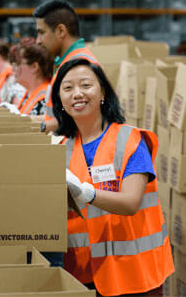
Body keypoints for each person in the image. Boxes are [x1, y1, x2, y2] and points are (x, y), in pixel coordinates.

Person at [54, 58, 173, 297]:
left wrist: (88, 193)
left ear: (102, 93)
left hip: (134, 277)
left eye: (86, 85)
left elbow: (131, 202)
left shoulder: (130, 141)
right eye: (67, 88)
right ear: (60, 101)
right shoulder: (60, 150)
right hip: (82, 279)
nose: (77, 94)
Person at [34, 0, 99, 135]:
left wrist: (40, 128)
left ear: (61, 31)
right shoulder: (68, 62)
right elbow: (59, 117)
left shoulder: (80, 66)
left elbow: (80, 118)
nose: (38, 40)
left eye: (41, 32)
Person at [9, 40, 53, 117]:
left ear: (34, 67)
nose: (13, 69)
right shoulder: (30, 93)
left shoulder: (46, 98)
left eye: (17, 63)